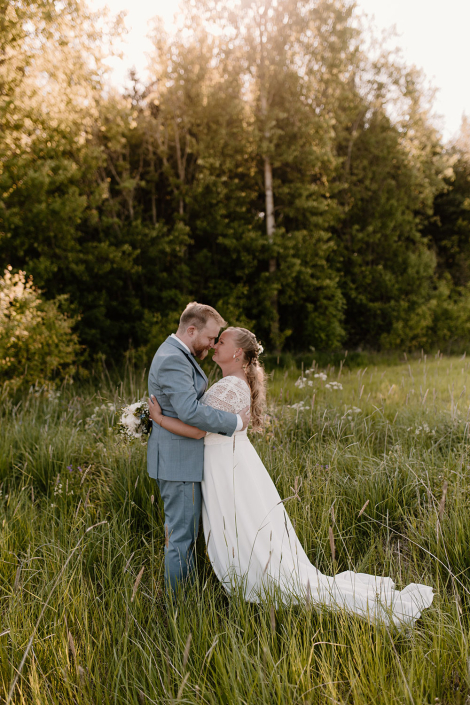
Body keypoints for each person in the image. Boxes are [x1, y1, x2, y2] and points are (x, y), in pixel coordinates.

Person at [149, 326, 434, 627]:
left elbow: (196, 428)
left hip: (227, 467)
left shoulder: (230, 387)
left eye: (221, 341)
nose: (215, 345)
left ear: (236, 352)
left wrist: (158, 418)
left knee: (243, 530)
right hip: (227, 464)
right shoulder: (230, 383)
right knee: (242, 530)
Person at [147, 303, 250, 596]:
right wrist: (235, 422)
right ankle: (178, 607)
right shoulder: (172, 359)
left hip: (182, 459)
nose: (212, 344)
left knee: (185, 536)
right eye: (210, 337)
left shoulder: (178, 354)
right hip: (179, 462)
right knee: (181, 537)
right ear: (191, 330)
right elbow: (190, 412)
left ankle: (187, 597)